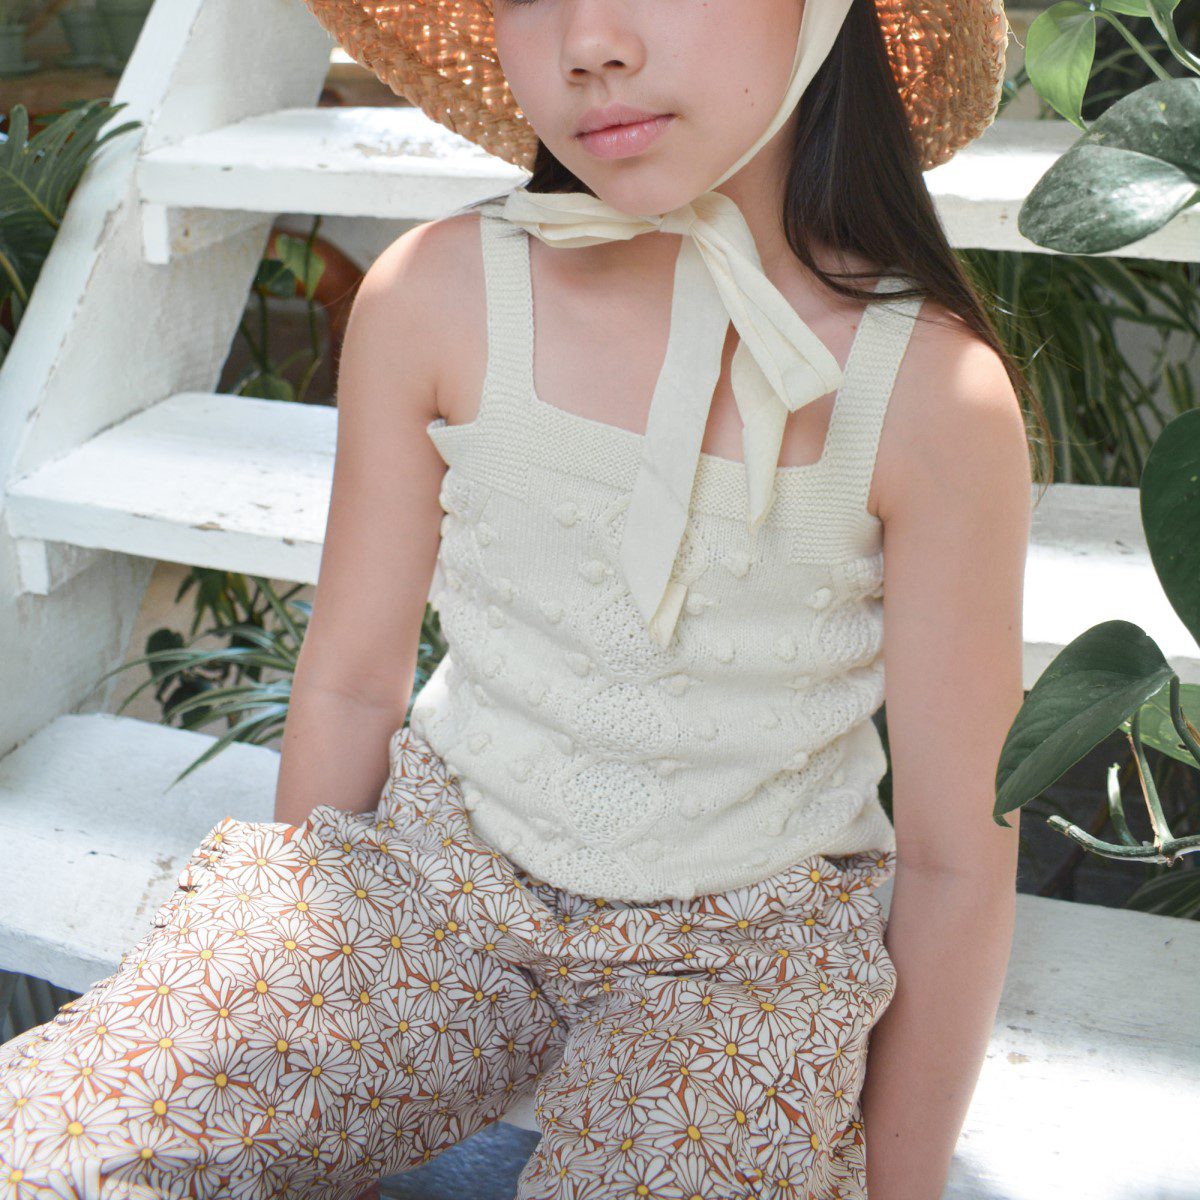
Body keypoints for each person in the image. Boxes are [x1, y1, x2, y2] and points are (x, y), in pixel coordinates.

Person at [0, 0, 1045, 1197]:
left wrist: (896, 1186)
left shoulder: (929, 396)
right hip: (437, 877)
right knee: (61, 1143)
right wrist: (287, 996)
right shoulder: (439, 294)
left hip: (749, 945)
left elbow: (960, 859)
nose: (588, 40)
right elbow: (350, 681)